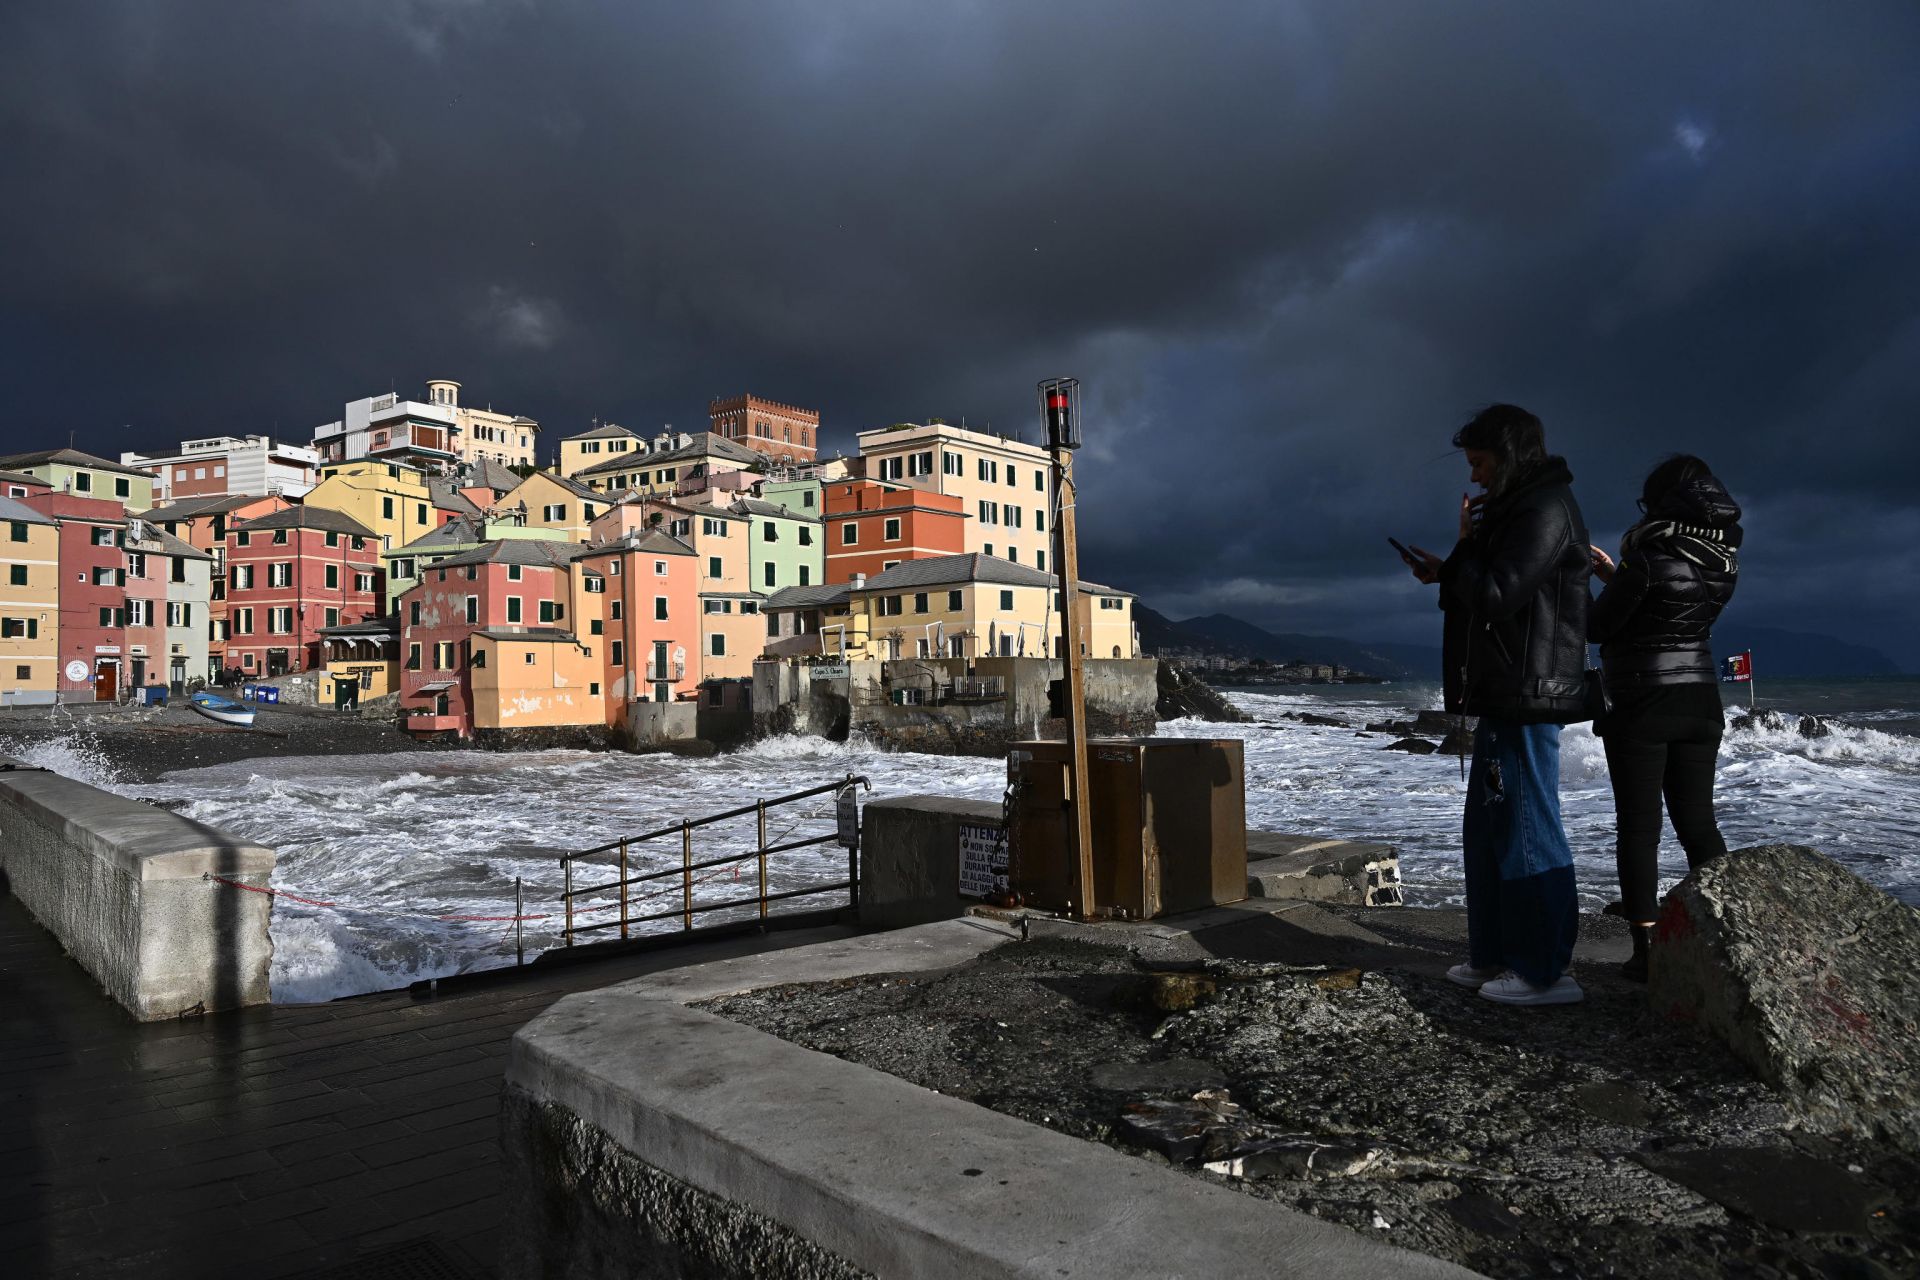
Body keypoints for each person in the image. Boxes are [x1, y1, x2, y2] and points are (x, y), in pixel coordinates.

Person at [1403, 404, 1592, 1007]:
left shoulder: (1544, 508)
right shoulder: (1521, 509)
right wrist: (1454, 565)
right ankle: (1496, 955)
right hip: (1506, 691)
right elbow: (1493, 590)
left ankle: (1543, 972)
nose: (1476, 477)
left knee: (1527, 824)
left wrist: (1461, 553)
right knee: (1488, 828)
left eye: (1481, 463)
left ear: (1510, 457)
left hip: (1528, 693)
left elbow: (1496, 595)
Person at [1588, 455, 1740, 982]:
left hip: (1642, 701)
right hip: (1701, 701)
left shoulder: (1648, 557)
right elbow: (1677, 613)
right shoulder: (1723, 560)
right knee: (1699, 825)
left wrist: (1597, 581)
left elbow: (1597, 626)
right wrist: (1617, 575)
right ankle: (1731, 937)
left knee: (1639, 829)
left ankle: (1646, 952)